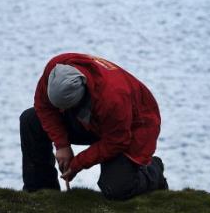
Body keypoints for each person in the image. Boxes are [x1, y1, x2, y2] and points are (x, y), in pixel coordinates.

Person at [19, 53, 168, 200]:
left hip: (132, 127)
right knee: (31, 120)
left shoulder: (113, 97)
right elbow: (43, 106)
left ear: (82, 95)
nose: (62, 112)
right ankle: (41, 193)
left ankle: (153, 169)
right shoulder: (55, 69)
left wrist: (77, 164)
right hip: (90, 118)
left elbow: (117, 141)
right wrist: (62, 145)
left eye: (67, 107)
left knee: (117, 188)